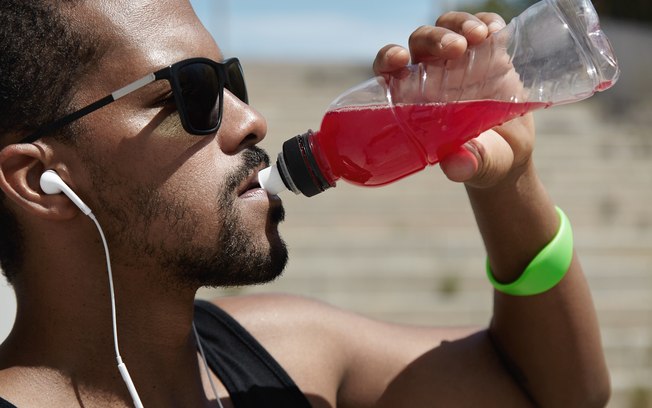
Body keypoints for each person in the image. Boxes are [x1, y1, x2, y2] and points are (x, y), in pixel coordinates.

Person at [0, 0, 610, 407]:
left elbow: (557, 394)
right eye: (190, 92)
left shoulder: (287, 352)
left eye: (232, 83)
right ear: (39, 179)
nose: (252, 121)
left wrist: (508, 180)